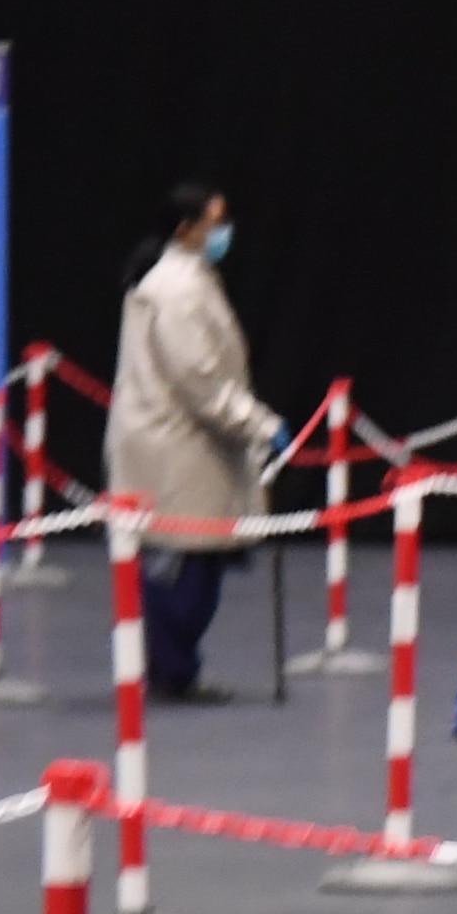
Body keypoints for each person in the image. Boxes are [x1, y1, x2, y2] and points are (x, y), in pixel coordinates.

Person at [106, 183, 280, 705]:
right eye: (215, 221)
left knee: (191, 565)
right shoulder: (177, 290)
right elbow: (199, 379)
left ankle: (172, 667)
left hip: (182, 445)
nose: (224, 231)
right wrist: (260, 424)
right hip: (175, 446)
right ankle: (170, 670)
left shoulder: (188, 279)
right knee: (182, 570)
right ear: (186, 228)